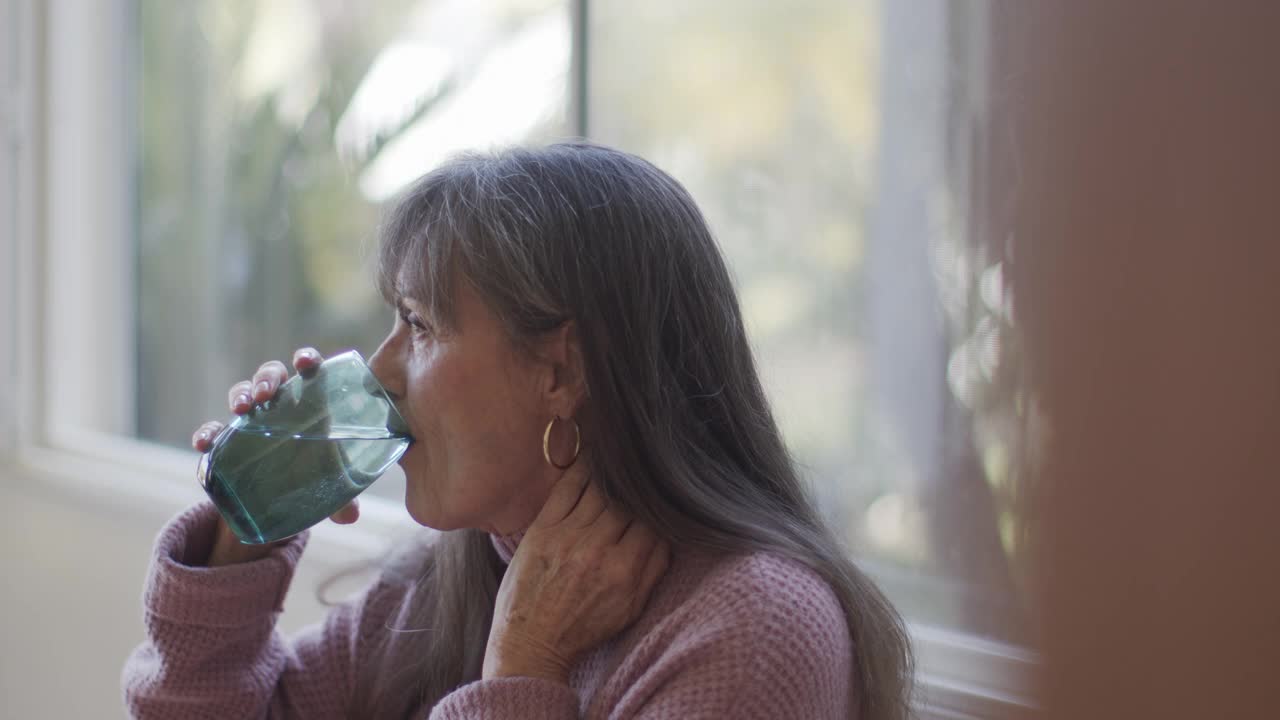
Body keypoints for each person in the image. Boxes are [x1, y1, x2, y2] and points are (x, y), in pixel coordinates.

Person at [122, 142, 913, 719]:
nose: (382, 370)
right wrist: (241, 545)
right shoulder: (451, 578)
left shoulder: (754, 633)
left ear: (562, 372)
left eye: (421, 325)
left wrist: (522, 669)